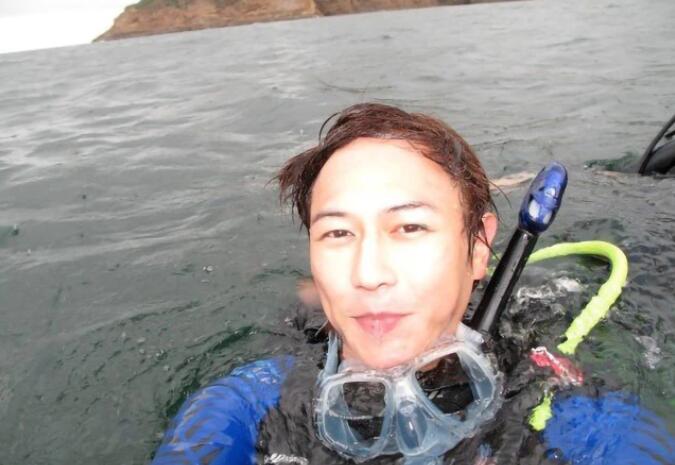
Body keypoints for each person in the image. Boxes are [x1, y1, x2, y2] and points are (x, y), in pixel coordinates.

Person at [151, 103, 674, 465]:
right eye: (337, 233)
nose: (367, 274)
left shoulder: (559, 400)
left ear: (478, 247)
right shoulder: (258, 401)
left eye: (410, 227)